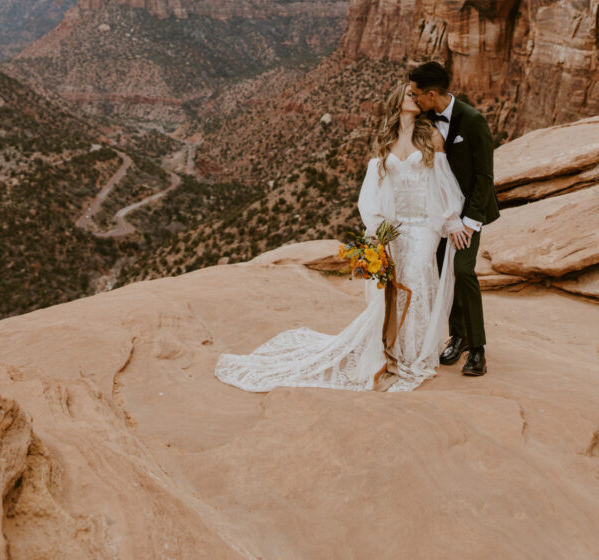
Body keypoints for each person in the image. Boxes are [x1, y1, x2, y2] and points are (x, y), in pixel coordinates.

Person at [214, 82, 466, 393]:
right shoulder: (385, 140)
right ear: (396, 102)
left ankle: (414, 354)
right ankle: (392, 349)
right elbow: (373, 190)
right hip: (395, 227)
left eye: (418, 94)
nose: (415, 97)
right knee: (395, 285)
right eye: (409, 93)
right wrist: (376, 233)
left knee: (415, 277)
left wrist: (451, 220)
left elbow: (442, 181)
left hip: (425, 224)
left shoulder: (430, 136)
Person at [408, 61, 500, 377]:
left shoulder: (473, 121)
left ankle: (477, 350)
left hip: (468, 214)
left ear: (432, 94)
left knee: (462, 272)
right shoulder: (424, 118)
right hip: (437, 213)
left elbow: (485, 177)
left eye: (417, 94)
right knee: (442, 272)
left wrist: (471, 223)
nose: (414, 98)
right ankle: (457, 335)